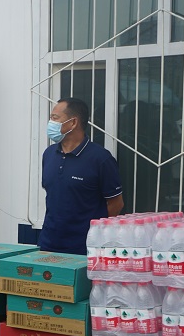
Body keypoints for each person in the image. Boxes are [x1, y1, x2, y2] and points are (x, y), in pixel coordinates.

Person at [39, 97, 124, 255]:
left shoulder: (100, 159)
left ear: (73, 123)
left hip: (84, 250)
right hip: (48, 245)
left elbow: (115, 204)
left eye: (55, 118)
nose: (50, 122)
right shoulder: (49, 154)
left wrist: (96, 238)